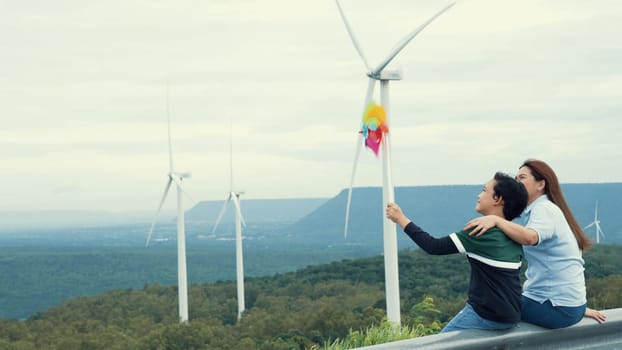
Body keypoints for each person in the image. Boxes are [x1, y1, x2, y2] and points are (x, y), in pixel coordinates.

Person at [465, 159, 607, 328]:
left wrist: (496, 220)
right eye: (515, 178)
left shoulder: (543, 209)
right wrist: (575, 307)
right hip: (567, 306)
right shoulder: (545, 210)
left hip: (554, 307)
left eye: (522, 178)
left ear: (540, 185)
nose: (516, 183)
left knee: (492, 306)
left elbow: (531, 237)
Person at [386, 172, 528, 332]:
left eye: (484, 190)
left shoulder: (481, 232)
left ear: (497, 199)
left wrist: (401, 219)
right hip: (511, 315)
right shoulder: (513, 233)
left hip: (486, 315)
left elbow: (434, 246)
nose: (478, 195)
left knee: (440, 344)